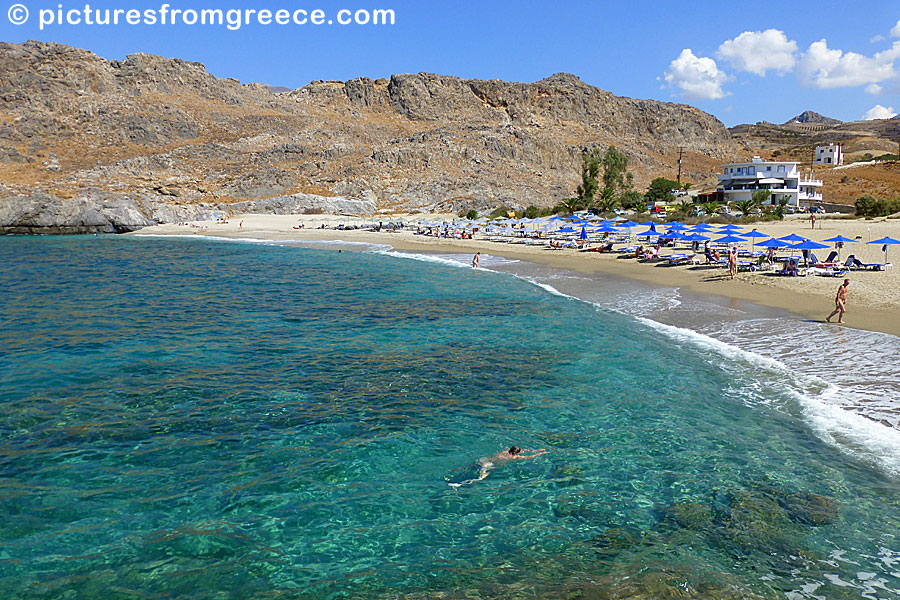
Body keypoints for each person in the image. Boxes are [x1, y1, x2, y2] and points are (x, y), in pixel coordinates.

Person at [448, 446, 548, 488]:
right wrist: (541, 453)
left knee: (469, 466)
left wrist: (538, 449)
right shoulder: (513, 458)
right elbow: (529, 457)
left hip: (483, 459)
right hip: (488, 465)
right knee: (480, 478)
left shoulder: (504, 451)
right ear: (515, 453)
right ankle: (459, 484)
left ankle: (452, 470)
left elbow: (523, 451)